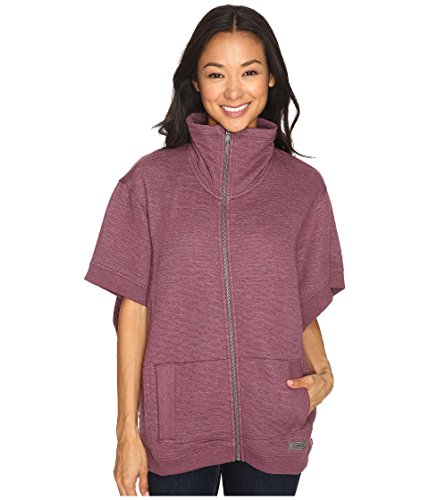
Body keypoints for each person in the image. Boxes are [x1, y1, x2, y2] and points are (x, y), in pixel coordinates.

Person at [84, 4, 345, 496]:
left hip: (276, 414)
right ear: (195, 82)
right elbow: (133, 310)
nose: (233, 91)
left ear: (271, 78)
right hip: (177, 419)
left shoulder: (303, 188)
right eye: (216, 74)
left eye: (249, 72)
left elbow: (300, 303)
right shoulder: (149, 182)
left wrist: (325, 372)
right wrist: (126, 433)